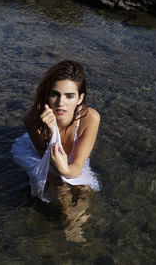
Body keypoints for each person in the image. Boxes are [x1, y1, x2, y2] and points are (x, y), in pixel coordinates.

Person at [11, 60, 100, 242]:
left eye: (69, 96)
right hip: (40, 154)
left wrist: (66, 170)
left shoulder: (90, 118)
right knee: (59, 184)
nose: (60, 103)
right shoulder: (32, 118)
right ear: (47, 95)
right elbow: (49, 161)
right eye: (54, 95)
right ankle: (70, 224)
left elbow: (75, 167)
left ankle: (78, 222)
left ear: (80, 98)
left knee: (84, 189)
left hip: (71, 159)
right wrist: (51, 132)